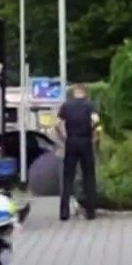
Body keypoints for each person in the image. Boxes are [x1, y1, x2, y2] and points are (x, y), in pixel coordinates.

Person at [56, 84, 98, 220]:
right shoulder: (89, 105)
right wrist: (92, 131)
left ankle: (64, 212)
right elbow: (96, 121)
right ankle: (91, 212)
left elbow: (57, 124)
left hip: (71, 142)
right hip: (85, 141)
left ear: (74, 93)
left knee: (68, 177)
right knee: (89, 176)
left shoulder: (66, 106)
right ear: (84, 92)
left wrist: (63, 137)